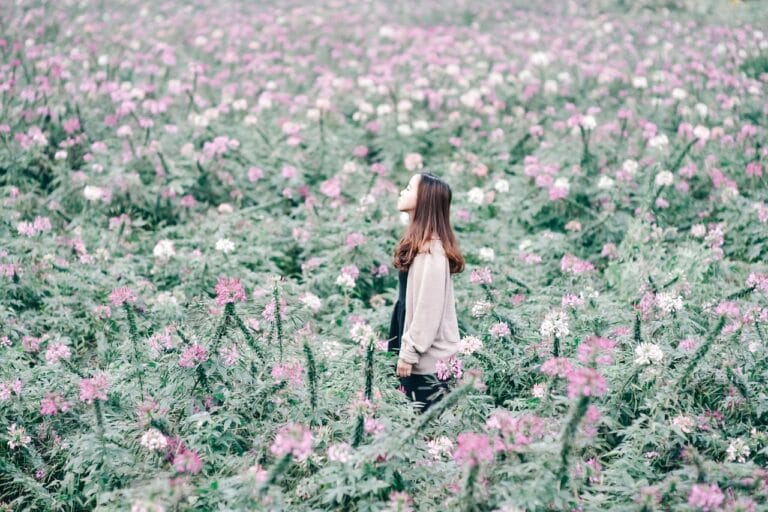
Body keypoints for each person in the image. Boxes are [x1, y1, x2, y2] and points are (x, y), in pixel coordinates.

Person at [388, 172, 465, 412]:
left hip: (428, 364)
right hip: (416, 355)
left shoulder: (432, 254)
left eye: (409, 188)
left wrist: (408, 353)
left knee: (424, 432)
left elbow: (427, 312)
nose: (402, 191)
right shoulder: (421, 246)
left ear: (425, 201)